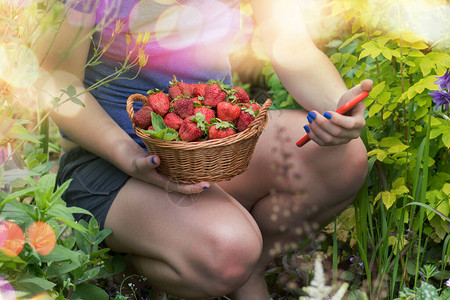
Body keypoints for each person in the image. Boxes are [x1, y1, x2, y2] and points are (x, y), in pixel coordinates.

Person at [36, 0, 372, 299]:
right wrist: (125, 152)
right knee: (228, 250)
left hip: (210, 146)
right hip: (111, 158)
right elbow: (55, 78)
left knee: (343, 157)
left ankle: (249, 267)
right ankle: (139, 263)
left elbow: (290, 44)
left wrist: (338, 108)